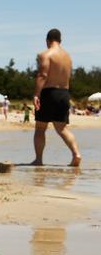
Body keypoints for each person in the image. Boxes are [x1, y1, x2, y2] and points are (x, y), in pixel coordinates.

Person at [31, 29, 82, 167]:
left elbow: (43, 75)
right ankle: (76, 154)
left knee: (40, 128)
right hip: (64, 93)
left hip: (49, 93)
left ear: (47, 40)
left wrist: (36, 94)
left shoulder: (45, 54)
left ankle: (38, 160)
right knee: (62, 128)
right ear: (60, 40)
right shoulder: (68, 57)